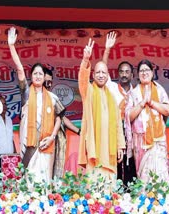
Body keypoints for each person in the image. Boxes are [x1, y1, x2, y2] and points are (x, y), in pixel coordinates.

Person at [8, 27, 64, 183]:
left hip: (46, 146)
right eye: (35, 73)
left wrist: (52, 137)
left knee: (44, 182)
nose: (38, 76)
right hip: (29, 145)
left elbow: (59, 117)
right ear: (31, 77)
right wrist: (12, 46)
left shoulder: (52, 97)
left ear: (44, 77)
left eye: (40, 73)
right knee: (28, 181)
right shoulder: (26, 93)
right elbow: (19, 69)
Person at [78, 38, 125, 181]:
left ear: (108, 76)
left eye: (104, 73)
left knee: (110, 189)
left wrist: (120, 146)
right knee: (95, 189)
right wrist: (86, 60)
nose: (100, 75)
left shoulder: (112, 97)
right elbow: (82, 79)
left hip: (110, 151)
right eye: (98, 72)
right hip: (95, 149)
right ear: (93, 75)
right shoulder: (89, 91)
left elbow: (118, 124)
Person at [125, 59, 169, 184]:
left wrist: (151, 102)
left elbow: (168, 110)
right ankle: (145, 200)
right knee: (144, 175)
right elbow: (128, 116)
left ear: (152, 73)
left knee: (160, 173)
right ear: (137, 74)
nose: (144, 73)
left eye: (147, 70)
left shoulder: (159, 90)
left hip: (158, 141)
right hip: (141, 141)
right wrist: (142, 103)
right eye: (141, 71)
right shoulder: (133, 93)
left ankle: (162, 199)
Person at [102, 31, 137, 185]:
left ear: (132, 74)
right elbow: (102, 69)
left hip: (133, 131)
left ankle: (130, 190)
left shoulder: (137, 92)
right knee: (116, 160)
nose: (124, 74)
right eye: (121, 71)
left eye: (127, 72)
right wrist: (107, 49)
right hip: (116, 130)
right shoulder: (112, 87)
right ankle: (116, 190)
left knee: (132, 161)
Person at [43, 68, 81, 178]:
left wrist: (79, 131)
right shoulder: (33, 97)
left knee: (55, 171)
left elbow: (61, 117)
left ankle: (54, 194)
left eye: (50, 82)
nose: (48, 85)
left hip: (56, 140)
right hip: (42, 140)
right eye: (45, 82)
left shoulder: (52, 97)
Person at [0, 93, 14, 169]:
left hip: (10, 157)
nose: (4, 106)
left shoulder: (9, 119)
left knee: (10, 180)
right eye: (1, 104)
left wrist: (15, 154)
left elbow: (12, 138)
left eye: (5, 104)